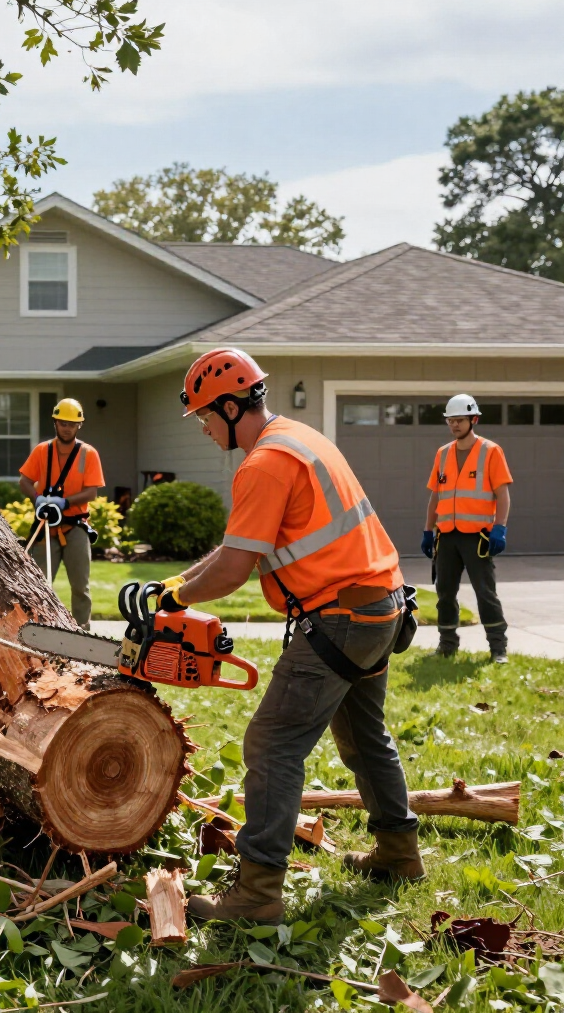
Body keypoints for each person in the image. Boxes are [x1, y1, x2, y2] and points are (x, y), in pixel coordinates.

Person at [161, 349, 420, 925]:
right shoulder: (298, 438)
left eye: (205, 415)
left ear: (232, 406)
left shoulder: (264, 464)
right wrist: (176, 583)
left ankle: (256, 896)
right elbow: (237, 551)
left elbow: (232, 573)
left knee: (272, 745)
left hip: (340, 621)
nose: (203, 427)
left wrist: (177, 600)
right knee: (362, 734)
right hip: (382, 609)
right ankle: (399, 854)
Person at [421, 394, 511, 663]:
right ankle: (447, 645)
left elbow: (503, 495)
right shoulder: (443, 453)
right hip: (447, 536)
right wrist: (428, 531)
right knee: (445, 593)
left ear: (474, 419)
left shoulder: (491, 451)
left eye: (459, 420)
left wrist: (500, 528)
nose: (454, 425)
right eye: (450, 421)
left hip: (478, 537)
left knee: (485, 593)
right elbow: (435, 496)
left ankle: (498, 649)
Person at [18, 398, 105, 629]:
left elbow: (91, 493)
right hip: (46, 525)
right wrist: (38, 500)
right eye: (62, 423)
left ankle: (82, 633)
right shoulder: (42, 451)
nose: (66, 427)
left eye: (71, 424)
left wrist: (63, 503)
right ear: (55, 423)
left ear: (79, 426)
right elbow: (25, 481)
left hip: (75, 526)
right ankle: (36, 628)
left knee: (80, 587)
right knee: (38, 584)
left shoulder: (88, 454)